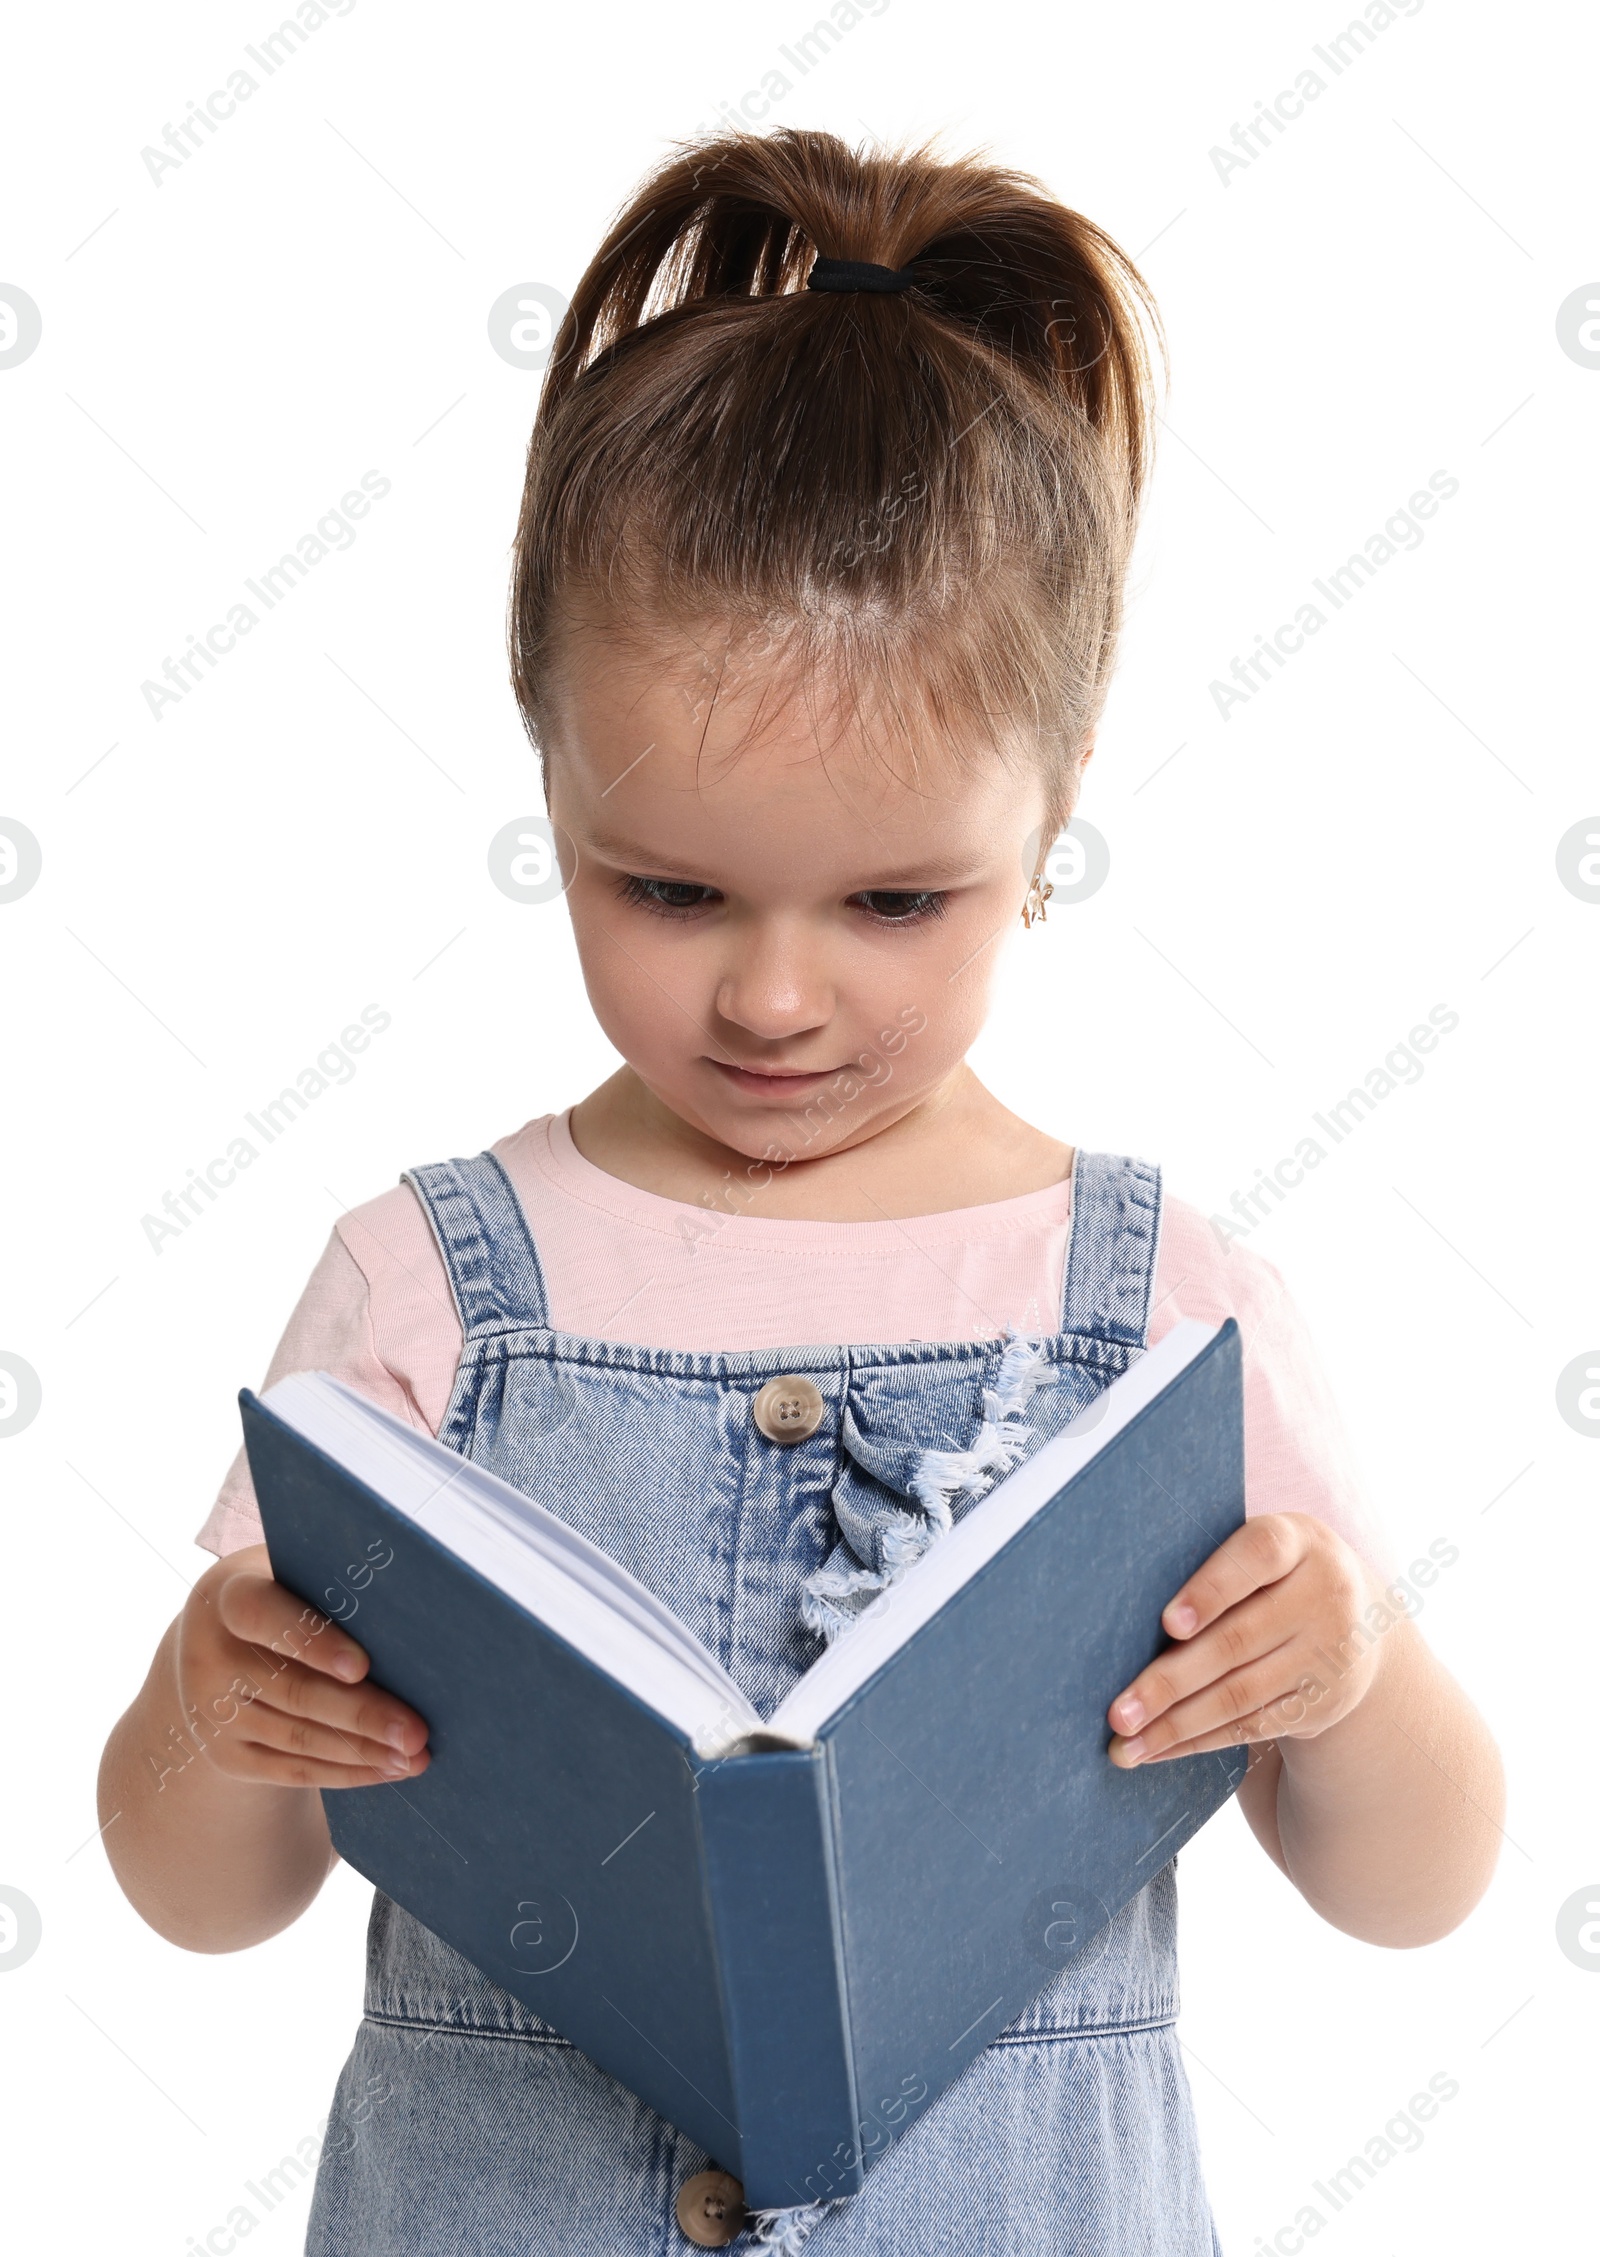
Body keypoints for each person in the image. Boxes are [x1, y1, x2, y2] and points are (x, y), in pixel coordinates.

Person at [99, 127, 1503, 2255]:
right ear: (546, 769)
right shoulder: (428, 1287)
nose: (770, 996)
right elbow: (202, 1898)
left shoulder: (1161, 1312)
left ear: (1054, 800)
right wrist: (215, 1708)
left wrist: (1344, 1662)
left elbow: (1411, 1889)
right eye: (661, 886)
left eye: (892, 897)